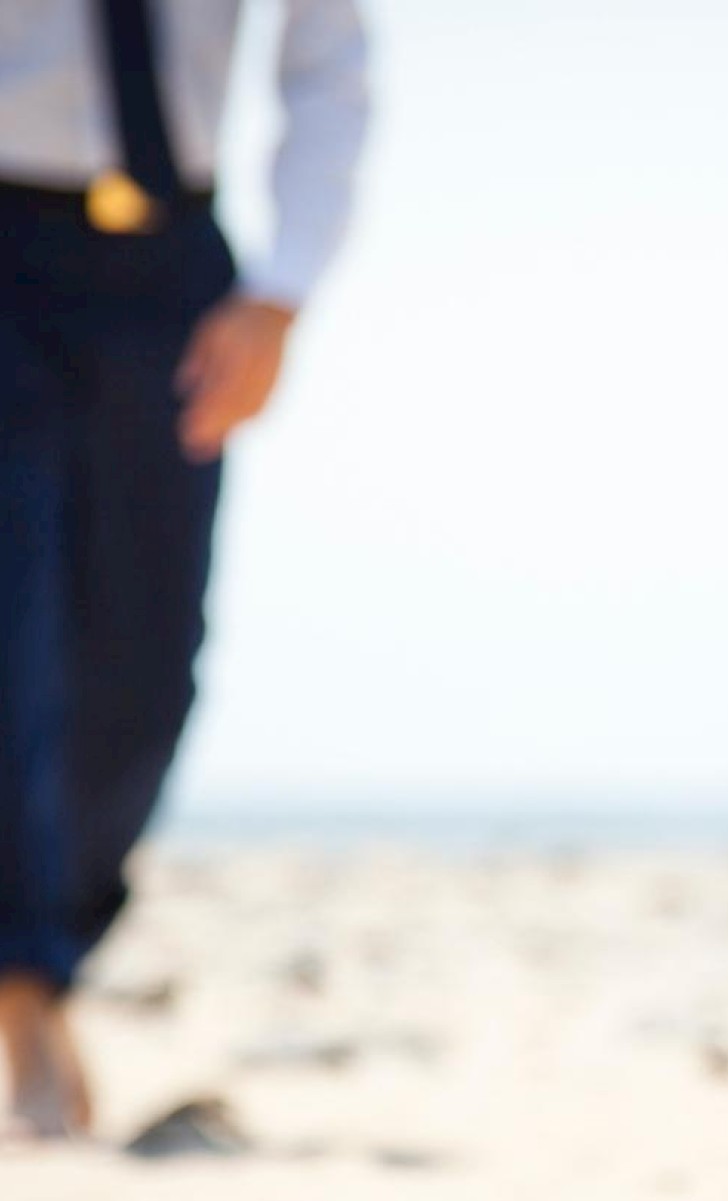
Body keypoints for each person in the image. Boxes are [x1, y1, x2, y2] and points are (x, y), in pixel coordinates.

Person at [0, 0, 370, 1136]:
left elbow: (331, 67)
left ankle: (48, 951)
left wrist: (279, 298)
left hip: (171, 273)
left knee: (146, 668)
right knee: (10, 640)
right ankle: (24, 993)